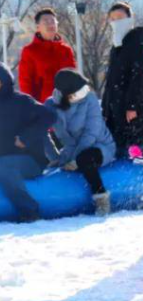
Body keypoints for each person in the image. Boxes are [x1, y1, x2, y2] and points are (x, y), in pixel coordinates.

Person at [101, 2, 143, 205]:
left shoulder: (139, 43)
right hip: (115, 110)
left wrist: (133, 106)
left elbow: (141, 77)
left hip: (136, 109)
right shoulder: (116, 46)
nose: (116, 22)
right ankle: (125, 193)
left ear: (130, 19)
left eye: (120, 18)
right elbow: (111, 82)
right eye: (113, 19)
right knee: (119, 149)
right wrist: (106, 108)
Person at [45, 69, 117, 216]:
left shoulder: (90, 100)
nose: (83, 93)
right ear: (66, 95)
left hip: (99, 145)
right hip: (70, 151)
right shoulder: (50, 106)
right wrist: (55, 157)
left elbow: (92, 132)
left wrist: (75, 160)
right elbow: (39, 131)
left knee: (85, 160)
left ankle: (101, 198)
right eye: (78, 92)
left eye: (84, 89)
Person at [0, 63, 56, 222]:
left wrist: (26, 137)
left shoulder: (22, 101)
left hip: (31, 161)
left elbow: (49, 116)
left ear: (3, 81)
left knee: (3, 165)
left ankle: (29, 211)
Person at [18, 7, 77, 103]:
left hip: (66, 104)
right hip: (42, 105)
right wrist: (30, 106)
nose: (50, 24)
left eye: (53, 21)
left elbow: (73, 78)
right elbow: (25, 82)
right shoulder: (30, 51)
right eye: (46, 22)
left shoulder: (66, 50)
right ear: (38, 27)